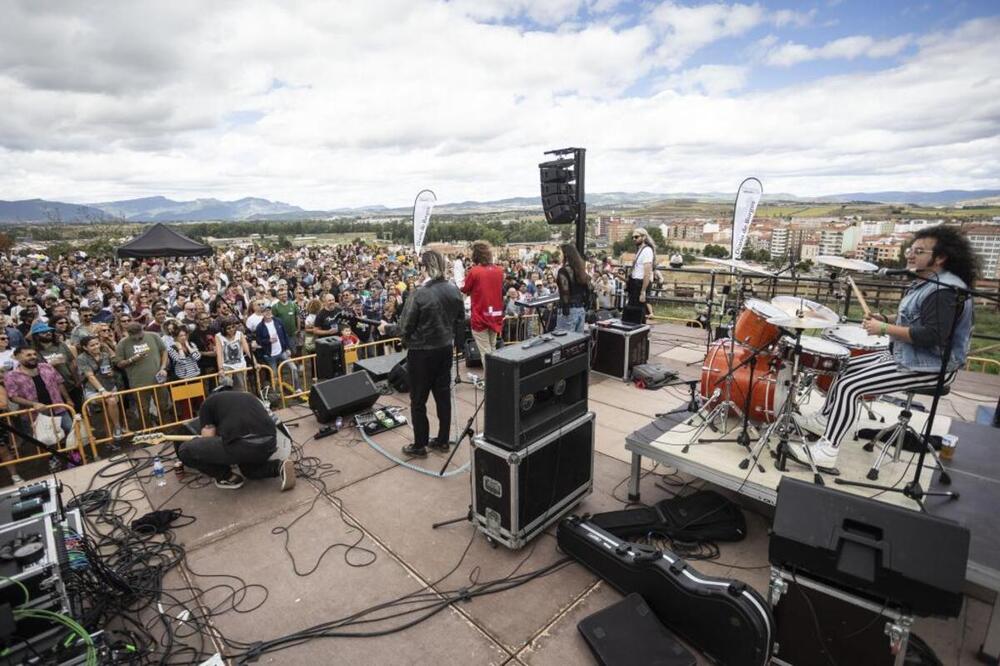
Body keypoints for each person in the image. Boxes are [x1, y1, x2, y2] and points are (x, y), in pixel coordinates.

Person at [792, 226, 977, 471]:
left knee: (851, 386)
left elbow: (931, 336)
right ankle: (824, 421)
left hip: (929, 364)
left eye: (918, 251)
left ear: (940, 257)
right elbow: (916, 317)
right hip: (908, 353)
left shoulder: (944, 291)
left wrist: (882, 329)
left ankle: (827, 450)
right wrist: (888, 319)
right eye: (911, 250)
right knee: (843, 367)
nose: (910, 255)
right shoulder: (930, 281)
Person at [379, 250, 464, 458]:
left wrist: (385, 328)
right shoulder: (454, 289)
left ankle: (419, 445)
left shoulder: (419, 293)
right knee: (443, 396)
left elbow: (404, 328)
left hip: (421, 354)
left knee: (418, 400)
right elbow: (461, 318)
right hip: (445, 349)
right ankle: (443, 440)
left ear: (425, 267)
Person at [176, 387, 295, 491]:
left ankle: (227, 477)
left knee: (185, 450)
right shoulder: (248, 397)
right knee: (249, 471)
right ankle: (279, 466)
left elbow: (207, 437)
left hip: (242, 445)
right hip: (269, 443)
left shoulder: (207, 404)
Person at [4, 347, 74, 436]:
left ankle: (74, 450)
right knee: (45, 440)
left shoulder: (47, 367)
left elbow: (59, 383)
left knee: (71, 430)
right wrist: (33, 404)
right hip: (34, 413)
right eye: (28, 355)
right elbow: (13, 397)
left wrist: (68, 399)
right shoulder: (11, 376)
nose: (33, 357)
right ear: (18, 357)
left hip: (58, 407)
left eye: (34, 354)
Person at [461, 241, 504, 375]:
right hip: (495, 315)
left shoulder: (474, 272)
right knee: (492, 348)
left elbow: (465, 289)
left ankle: (493, 382)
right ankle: (497, 378)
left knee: (486, 352)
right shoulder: (499, 271)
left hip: (480, 316)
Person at [76, 335, 124, 441]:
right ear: (85, 347)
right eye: (92, 345)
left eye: (97, 344)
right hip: (93, 390)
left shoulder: (105, 355)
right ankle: (117, 427)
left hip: (110, 386)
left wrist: (111, 374)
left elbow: (112, 370)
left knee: (109, 413)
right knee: (110, 401)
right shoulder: (81, 358)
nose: (96, 346)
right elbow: (90, 376)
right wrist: (102, 391)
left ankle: (111, 439)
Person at [254, 305, 300, 392]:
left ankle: (297, 388)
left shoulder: (278, 321)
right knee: (274, 375)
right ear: (262, 313)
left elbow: (285, 335)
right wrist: (268, 341)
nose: (268, 312)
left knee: (293, 368)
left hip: (282, 351)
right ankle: (276, 393)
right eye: (265, 311)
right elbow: (258, 341)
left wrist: (287, 348)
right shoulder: (260, 327)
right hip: (270, 355)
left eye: (269, 310)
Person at [555, 243, 590, 333]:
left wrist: (565, 308)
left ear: (565, 254)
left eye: (559, 253)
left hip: (569, 310)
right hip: (580, 309)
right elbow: (587, 288)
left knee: (565, 341)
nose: (558, 256)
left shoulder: (563, 271)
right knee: (577, 342)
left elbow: (565, 291)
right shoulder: (580, 270)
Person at [624, 228, 655, 324]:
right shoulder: (640, 250)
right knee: (633, 312)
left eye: (636, 237)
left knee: (638, 313)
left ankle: (640, 336)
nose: (634, 239)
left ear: (644, 237)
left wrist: (643, 291)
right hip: (635, 283)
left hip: (639, 284)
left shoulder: (647, 250)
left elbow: (647, 272)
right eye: (632, 237)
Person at [215, 318, 254, 392]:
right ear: (223, 329)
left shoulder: (239, 334)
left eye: (233, 327)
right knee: (226, 387)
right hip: (226, 366)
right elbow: (219, 354)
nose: (231, 330)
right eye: (228, 328)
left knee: (242, 388)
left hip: (240, 365)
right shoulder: (218, 336)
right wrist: (220, 369)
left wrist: (255, 362)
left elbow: (247, 350)